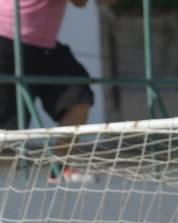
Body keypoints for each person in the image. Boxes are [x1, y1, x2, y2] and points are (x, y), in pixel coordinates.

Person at [1, 0, 114, 178]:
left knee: (78, 98)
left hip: (45, 47)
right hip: (6, 40)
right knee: (6, 126)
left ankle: (59, 168)